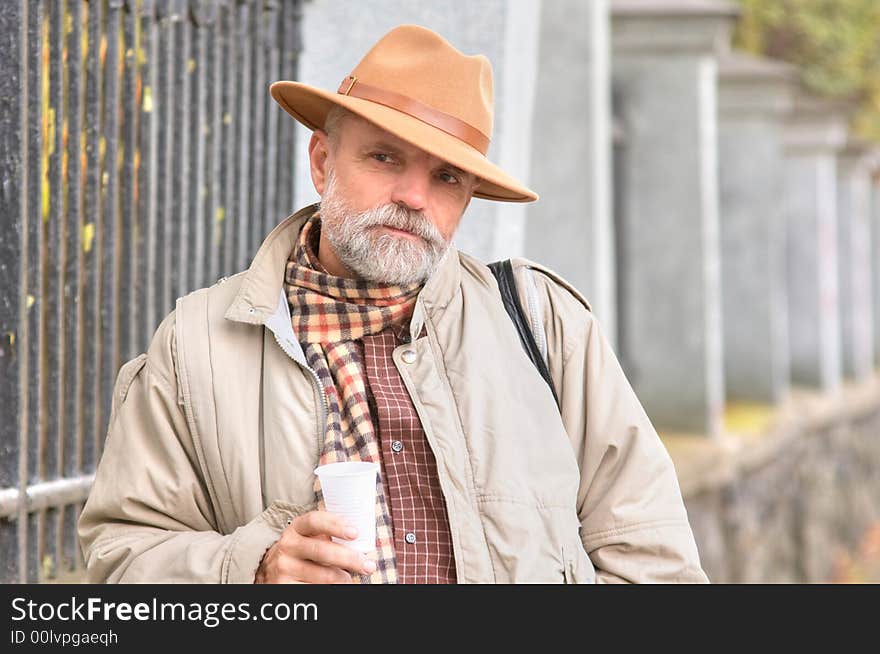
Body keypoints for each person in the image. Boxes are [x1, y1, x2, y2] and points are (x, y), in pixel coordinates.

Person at [78, 24, 708, 584]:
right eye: (385, 158)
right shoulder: (198, 345)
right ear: (323, 162)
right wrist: (254, 569)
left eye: (446, 177)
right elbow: (122, 559)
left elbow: (654, 561)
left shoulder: (544, 326)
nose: (414, 196)